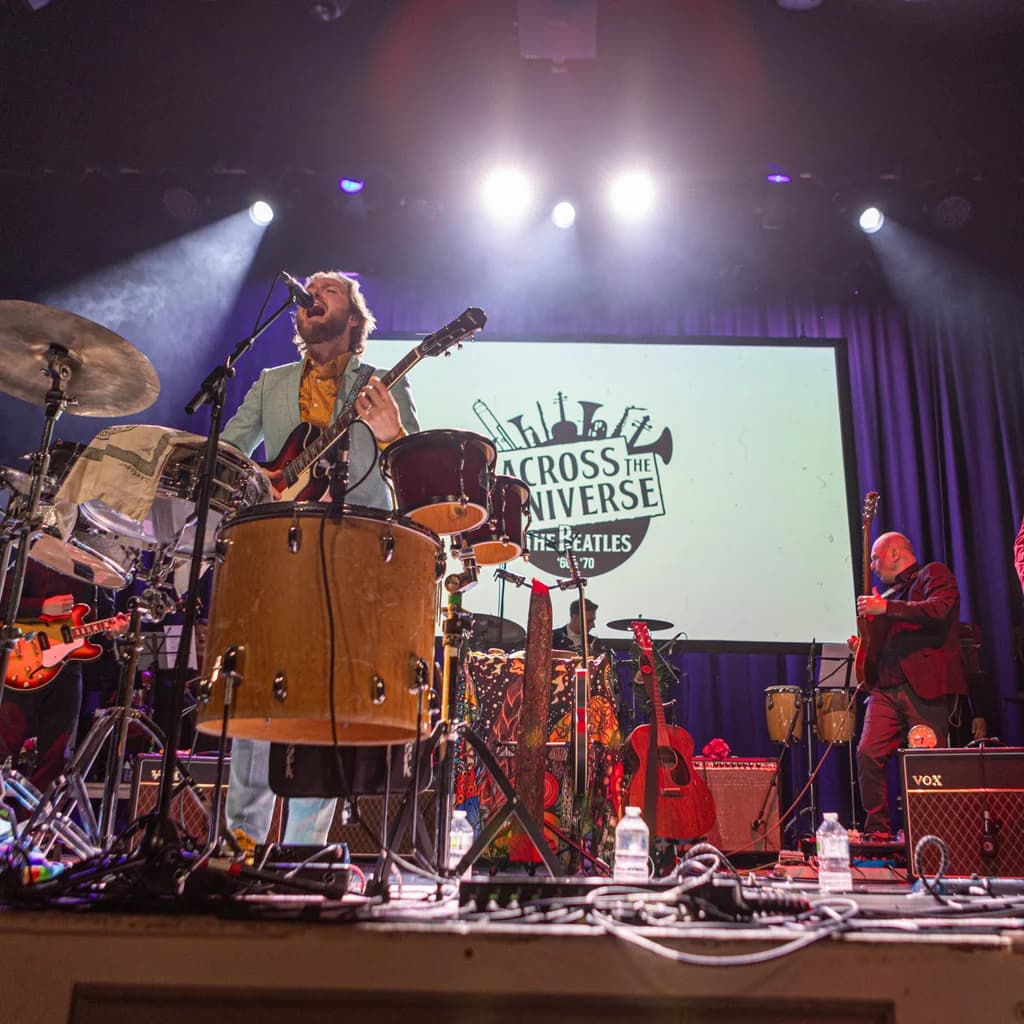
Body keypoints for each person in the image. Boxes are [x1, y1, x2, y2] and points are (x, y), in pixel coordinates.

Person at [219, 270, 418, 852]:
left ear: (353, 319)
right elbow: (230, 455)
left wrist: (392, 433)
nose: (313, 294)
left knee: (323, 706)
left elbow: (411, 476)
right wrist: (266, 482)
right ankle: (240, 846)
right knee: (255, 697)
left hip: (353, 557)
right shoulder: (271, 381)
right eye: (310, 290)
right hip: (278, 552)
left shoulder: (380, 382)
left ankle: (305, 850)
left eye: (328, 289)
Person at [854, 531, 975, 836]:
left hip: (925, 686)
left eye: (875, 557)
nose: (872, 565)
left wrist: (886, 610)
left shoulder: (932, 574)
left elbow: (939, 609)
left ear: (895, 553)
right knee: (868, 752)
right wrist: (863, 645)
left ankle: (932, 836)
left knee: (927, 765)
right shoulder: (890, 595)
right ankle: (878, 833)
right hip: (886, 687)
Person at [1, 558, 127, 797]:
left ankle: (35, 824)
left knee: (57, 756)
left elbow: (95, 633)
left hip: (67, 670)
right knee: (5, 745)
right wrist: (41, 606)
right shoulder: (35, 556)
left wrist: (111, 634)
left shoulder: (97, 572)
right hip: (23, 662)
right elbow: (3, 602)